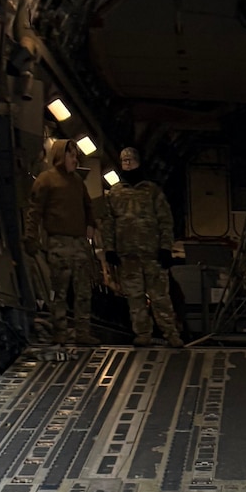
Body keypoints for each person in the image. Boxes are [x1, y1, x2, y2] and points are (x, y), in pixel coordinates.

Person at [100, 147, 183, 346]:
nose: (127, 163)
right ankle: (142, 333)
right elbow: (108, 222)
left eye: (130, 160)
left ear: (138, 162)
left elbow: (165, 221)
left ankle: (171, 333)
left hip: (153, 254)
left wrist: (165, 248)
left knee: (160, 297)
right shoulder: (115, 193)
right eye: (123, 160)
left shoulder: (152, 191)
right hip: (128, 255)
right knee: (134, 298)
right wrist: (109, 249)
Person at [24, 139, 96, 345]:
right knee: (59, 291)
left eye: (76, 155)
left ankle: (83, 332)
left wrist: (91, 224)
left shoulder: (77, 182)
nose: (75, 159)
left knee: (83, 291)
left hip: (79, 243)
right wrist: (30, 237)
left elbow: (88, 205)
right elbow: (34, 210)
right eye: (71, 155)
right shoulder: (46, 180)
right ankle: (60, 332)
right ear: (60, 156)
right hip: (58, 243)